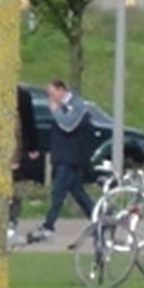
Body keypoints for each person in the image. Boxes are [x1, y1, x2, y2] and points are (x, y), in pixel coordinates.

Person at [38, 79, 97, 236]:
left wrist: (56, 111)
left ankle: (48, 225)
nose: (50, 98)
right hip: (63, 156)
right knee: (78, 193)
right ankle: (99, 221)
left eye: (52, 93)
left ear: (61, 90)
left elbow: (68, 125)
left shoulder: (77, 105)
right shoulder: (61, 106)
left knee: (58, 191)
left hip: (72, 157)